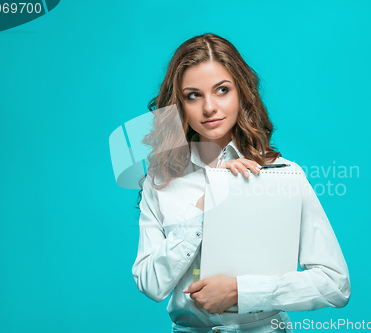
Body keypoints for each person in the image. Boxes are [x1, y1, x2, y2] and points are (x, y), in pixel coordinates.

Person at [132, 33, 351, 333]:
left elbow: (335, 284)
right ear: (178, 103)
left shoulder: (283, 175)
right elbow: (150, 284)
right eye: (193, 95)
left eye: (222, 90)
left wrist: (241, 292)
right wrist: (203, 210)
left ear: (241, 93)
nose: (209, 107)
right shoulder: (159, 183)